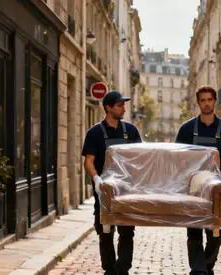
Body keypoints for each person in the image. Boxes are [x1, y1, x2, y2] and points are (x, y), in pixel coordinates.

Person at [174, 86, 221, 275]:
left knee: (218, 229)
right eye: (203, 100)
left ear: (215, 101)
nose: (207, 103)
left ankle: (206, 265)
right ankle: (198, 270)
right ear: (198, 103)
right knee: (194, 231)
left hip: (216, 190)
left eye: (210, 100)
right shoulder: (186, 129)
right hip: (193, 190)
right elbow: (179, 160)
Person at [81, 91, 143, 275]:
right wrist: (97, 179)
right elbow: (88, 161)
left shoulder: (131, 131)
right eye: (119, 105)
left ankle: (122, 269)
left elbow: (140, 158)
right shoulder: (94, 133)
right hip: (104, 190)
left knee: (127, 231)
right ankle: (109, 269)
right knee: (105, 230)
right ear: (108, 107)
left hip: (126, 190)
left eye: (123, 105)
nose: (123, 108)